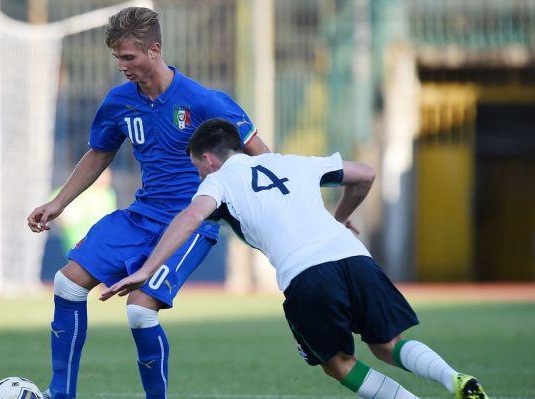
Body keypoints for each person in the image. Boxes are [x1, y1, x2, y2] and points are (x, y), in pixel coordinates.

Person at [101, 118, 489, 399]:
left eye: (197, 168)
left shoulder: (218, 181)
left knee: (336, 363)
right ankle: (455, 378)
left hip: (306, 275)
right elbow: (366, 174)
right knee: (388, 343)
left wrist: (149, 269)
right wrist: (338, 219)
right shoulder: (293, 162)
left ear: (209, 159)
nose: (199, 176)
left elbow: (190, 217)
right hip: (355, 258)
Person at [27, 7, 269, 399]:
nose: (121, 66)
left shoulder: (203, 101)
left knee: (140, 311)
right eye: (117, 58)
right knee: (66, 283)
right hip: (141, 216)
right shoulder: (119, 101)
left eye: (128, 57)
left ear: (154, 49)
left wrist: (271, 205)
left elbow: (260, 152)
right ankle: (61, 394)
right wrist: (59, 203)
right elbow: (99, 153)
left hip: (192, 223)